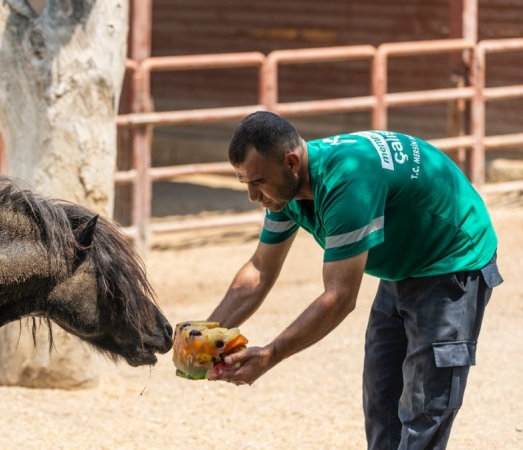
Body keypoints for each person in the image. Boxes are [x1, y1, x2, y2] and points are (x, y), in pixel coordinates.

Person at [206, 111, 503, 450]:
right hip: (404, 262)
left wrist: (270, 355)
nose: (252, 196)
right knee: (382, 398)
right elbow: (260, 269)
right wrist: (204, 335)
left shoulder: (346, 184)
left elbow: (340, 297)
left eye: (257, 182)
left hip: (451, 260)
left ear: (291, 162)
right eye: (245, 183)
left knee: (425, 406)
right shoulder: (284, 189)